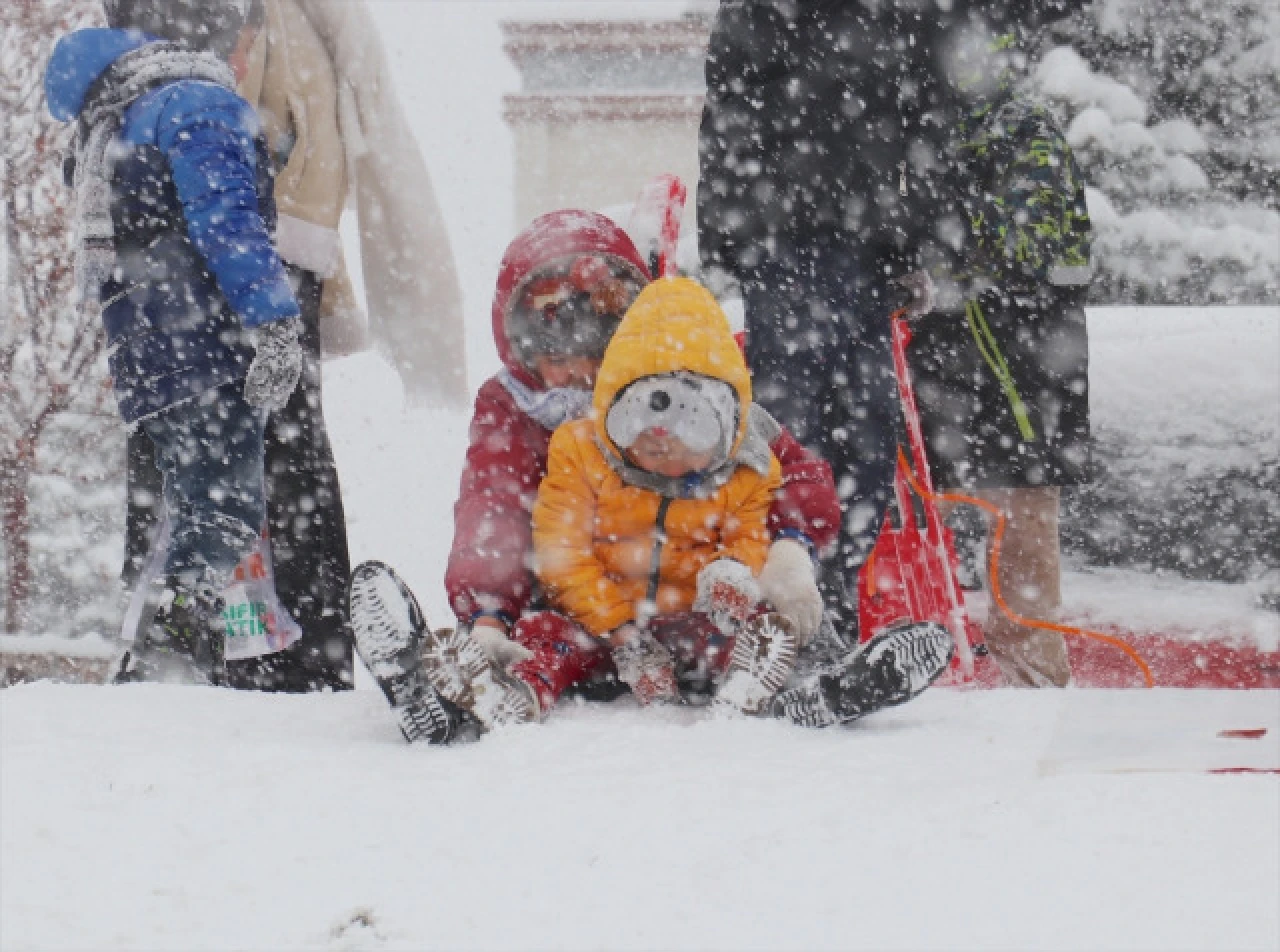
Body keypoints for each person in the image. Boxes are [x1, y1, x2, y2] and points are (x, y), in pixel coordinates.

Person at [347, 268, 953, 743]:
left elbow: (753, 530)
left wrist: (739, 582)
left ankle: (790, 689)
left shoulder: (746, 458)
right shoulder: (581, 449)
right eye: (646, 439)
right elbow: (555, 549)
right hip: (595, 619)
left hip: (690, 621)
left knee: (754, 634)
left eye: (689, 443)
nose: (666, 461)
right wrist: (621, 632)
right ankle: (490, 697)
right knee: (544, 639)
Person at [120, 0, 468, 692]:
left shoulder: (291, 23)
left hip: (224, 233)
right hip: (249, 231)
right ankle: (286, 644)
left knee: (210, 437)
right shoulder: (301, 24)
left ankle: (191, 637)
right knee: (266, 442)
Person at [697, 2, 982, 638]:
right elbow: (723, 123)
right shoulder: (756, 14)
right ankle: (805, 609)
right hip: (783, 245)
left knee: (866, 433)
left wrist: (919, 246)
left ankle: (830, 605)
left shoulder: (889, 17)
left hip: (863, 247)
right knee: (799, 432)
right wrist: (726, 243)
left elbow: (927, 123)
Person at [46, 0, 302, 684]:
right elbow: (228, 224)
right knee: (225, 507)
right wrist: (274, 318)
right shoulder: (196, 101)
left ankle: (173, 647)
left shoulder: (116, 114)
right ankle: (170, 650)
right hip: (202, 339)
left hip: (145, 351)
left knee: (190, 502)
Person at [908, 45, 1094, 688]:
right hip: (967, 335)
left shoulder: (1018, 128)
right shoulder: (928, 125)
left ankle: (1031, 660)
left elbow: (1031, 237)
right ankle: (969, 647)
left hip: (1018, 343)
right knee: (947, 495)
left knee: (1023, 499)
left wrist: (943, 242)